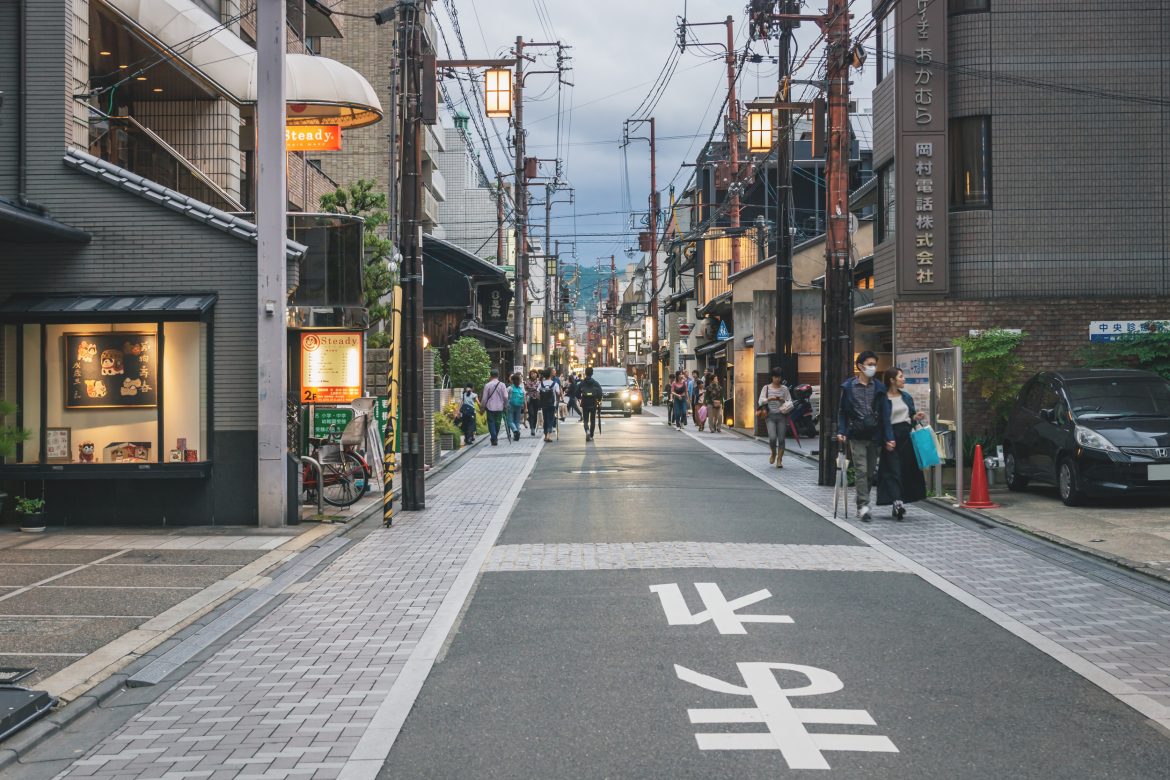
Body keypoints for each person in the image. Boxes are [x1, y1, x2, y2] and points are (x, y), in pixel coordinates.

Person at [836, 350, 885, 521]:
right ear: (860, 366)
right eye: (870, 364)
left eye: (874, 364)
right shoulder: (849, 387)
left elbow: (885, 412)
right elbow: (842, 412)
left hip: (874, 435)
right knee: (861, 471)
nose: (873, 367)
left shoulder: (879, 387)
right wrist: (842, 431)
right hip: (856, 434)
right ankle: (863, 506)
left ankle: (863, 501)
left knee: (871, 472)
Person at [877, 367, 928, 520]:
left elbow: (910, 416)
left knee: (906, 470)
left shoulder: (906, 396)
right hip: (891, 437)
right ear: (892, 380)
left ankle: (898, 502)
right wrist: (886, 439)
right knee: (893, 471)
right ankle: (898, 502)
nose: (903, 379)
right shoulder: (882, 398)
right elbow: (881, 421)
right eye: (901, 376)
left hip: (906, 436)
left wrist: (915, 417)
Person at [758, 368, 792, 468]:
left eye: (779, 377)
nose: (777, 379)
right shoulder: (766, 388)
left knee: (781, 439)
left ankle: (779, 460)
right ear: (772, 377)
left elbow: (789, 401)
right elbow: (760, 401)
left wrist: (782, 400)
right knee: (772, 438)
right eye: (775, 377)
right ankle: (773, 452)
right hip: (770, 416)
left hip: (782, 416)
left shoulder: (784, 389)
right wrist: (769, 399)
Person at [481, 369, 509, 446]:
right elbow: (506, 397)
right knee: (498, 423)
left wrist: (482, 407)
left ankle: (494, 437)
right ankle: (494, 437)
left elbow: (484, 398)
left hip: (490, 407)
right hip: (500, 407)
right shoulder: (502, 385)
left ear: (490, 376)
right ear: (498, 375)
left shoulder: (487, 385)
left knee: (491, 423)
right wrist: (505, 405)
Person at [578, 366, 603, 441]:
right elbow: (600, 393)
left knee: (585, 420)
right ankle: (591, 436)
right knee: (592, 420)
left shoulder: (582, 383)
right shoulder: (595, 383)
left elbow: (577, 393)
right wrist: (598, 400)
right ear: (592, 373)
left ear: (585, 373)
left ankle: (587, 431)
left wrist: (580, 398)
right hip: (593, 403)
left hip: (585, 403)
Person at [538, 368, 560, 442]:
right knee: (551, 419)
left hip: (544, 404)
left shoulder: (541, 384)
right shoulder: (554, 384)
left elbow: (538, 394)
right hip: (552, 404)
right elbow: (558, 393)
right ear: (550, 375)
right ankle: (548, 435)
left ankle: (545, 434)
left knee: (545, 419)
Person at [507, 373, 526, 442]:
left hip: (510, 406)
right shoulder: (521, 388)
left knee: (510, 420)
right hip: (519, 406)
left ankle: (515, 431)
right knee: (517, 421)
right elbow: (524, 397)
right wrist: (524, 406)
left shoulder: (510, 388)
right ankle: (517, 432)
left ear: (512, 380)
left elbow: (505, 397)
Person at [524, 369, 541, 437]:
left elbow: (538, 389)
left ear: (537, 374)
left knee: (535, 414)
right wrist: (534, 388)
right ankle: (532, 429)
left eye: (534, 373)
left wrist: (531, 388)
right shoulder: (527, 381)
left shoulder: (539, 382)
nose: (533, 375)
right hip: (530, 399)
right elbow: (526, 388)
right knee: (531, 413)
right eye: (532, 374)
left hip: (537, 399)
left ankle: (533, 426)